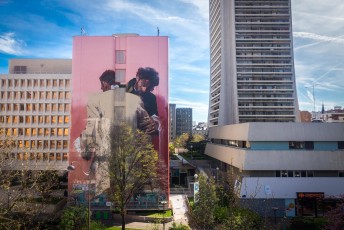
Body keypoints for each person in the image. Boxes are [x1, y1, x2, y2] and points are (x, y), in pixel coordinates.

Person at [126, 67, 160, 135]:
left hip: (142, 139)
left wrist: (156, 125)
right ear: (137, 78)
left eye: (149, 88)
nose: (144, 89)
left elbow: (154, 116)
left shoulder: (152, 98)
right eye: (143, 84)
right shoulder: (122, 91)